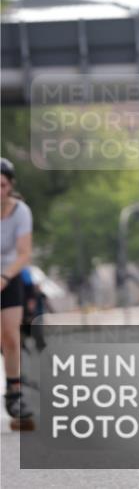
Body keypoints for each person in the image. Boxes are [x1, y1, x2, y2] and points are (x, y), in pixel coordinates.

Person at [0, 157, 35, 430]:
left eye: (2, 185)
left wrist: (4, 276)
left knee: (11, 336)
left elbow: (24, 254)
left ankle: (14, 392)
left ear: (10, 186)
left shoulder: (21, 211)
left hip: (9, 275)